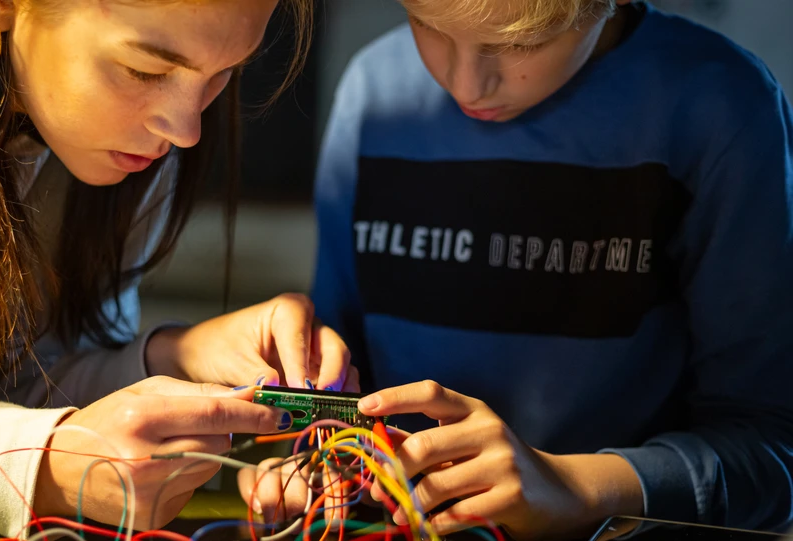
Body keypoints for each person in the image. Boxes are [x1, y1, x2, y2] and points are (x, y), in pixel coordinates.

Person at [242, 0, 793, 538]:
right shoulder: (374, 91)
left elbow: (772, 453)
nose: (465, 85)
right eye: (425, 24)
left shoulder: (720, 105)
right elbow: (334, 392)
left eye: (518, 42)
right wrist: (314, 464)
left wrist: (577, 488)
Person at [0, 0, 356, 536]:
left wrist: (175, 358)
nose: (186, 130)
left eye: (226, 73)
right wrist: (35, 461)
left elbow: (12, 379)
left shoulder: (117, 146)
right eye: (145, 71)